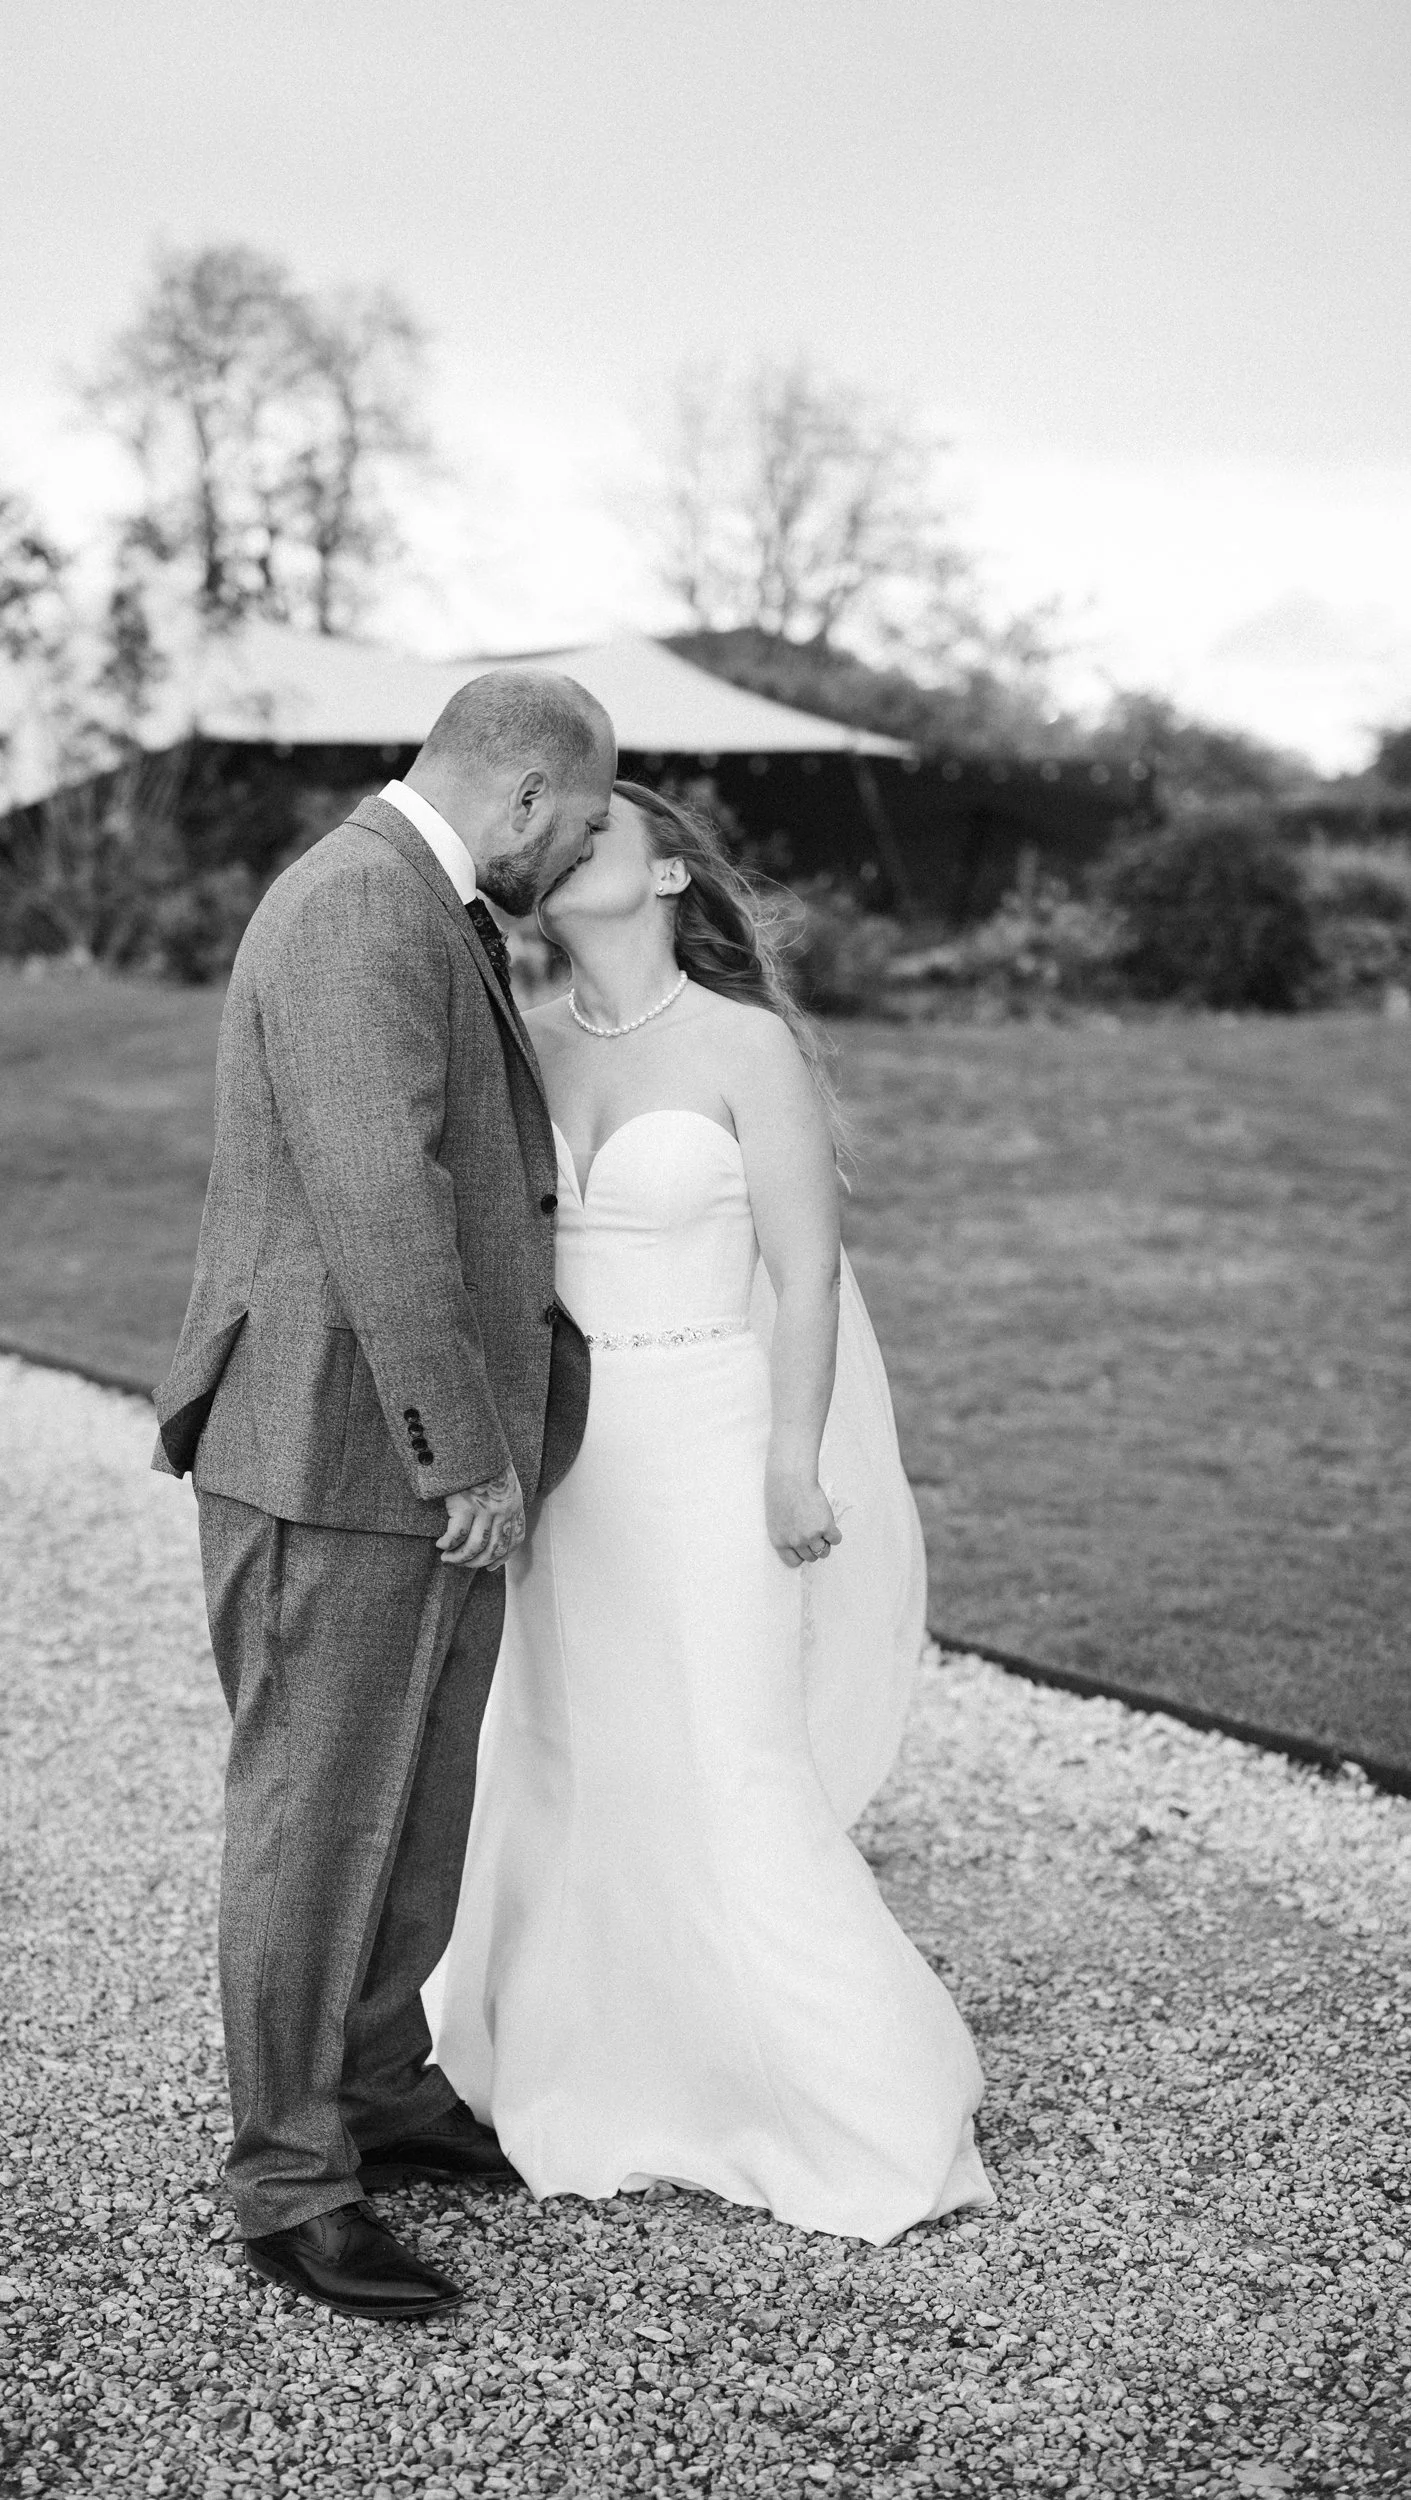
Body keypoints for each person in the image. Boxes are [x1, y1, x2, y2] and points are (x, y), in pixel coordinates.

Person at [428, 782, 994, 2242]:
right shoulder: (528, 1046)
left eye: (603, 826)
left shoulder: (747, 1046)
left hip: (712, 1431)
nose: (571, 845)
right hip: (569, 1456)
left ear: (673, 873)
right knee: (562, 1749)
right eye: (552, 838)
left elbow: (805, 1275)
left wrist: (796, 1462)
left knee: (730, 1751)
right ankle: (579, 2066)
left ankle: (840, 2100)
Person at [152, 670, 616, 2319]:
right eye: (565, 835)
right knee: (318, 1817)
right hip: (338, 1446)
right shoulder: (359, 906)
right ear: (519, 794)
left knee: (416, 1801)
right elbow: (377, 1197)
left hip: (398, 1455)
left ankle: (381, 2093)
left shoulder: (415, 897)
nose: (561, 868)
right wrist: (467, 1447)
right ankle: (287, 2178)